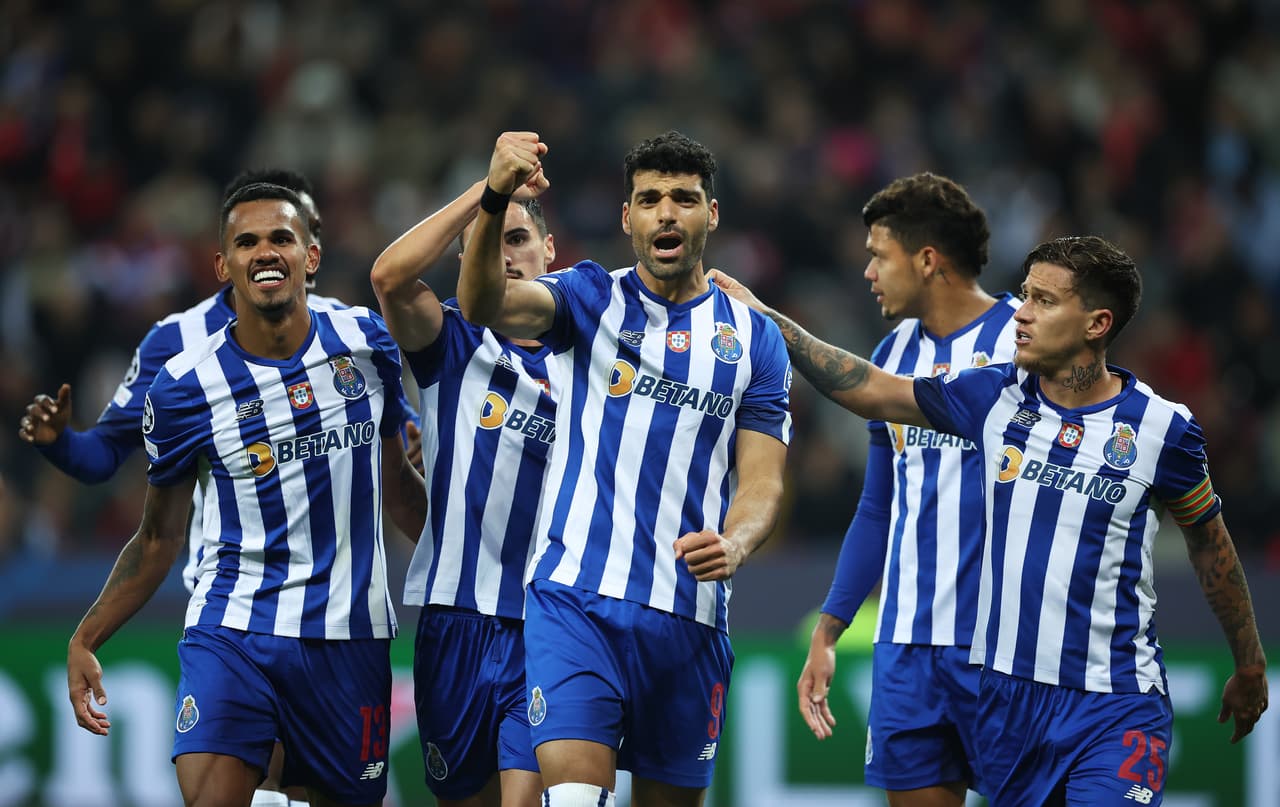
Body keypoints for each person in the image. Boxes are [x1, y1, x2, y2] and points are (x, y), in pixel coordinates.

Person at [713, 235, 1268, 805]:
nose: (1022, 314)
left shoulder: (1161, 430)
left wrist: (1249, 663)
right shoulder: (993, 396)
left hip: (1115, 703)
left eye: (1045, 302)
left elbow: (1211, 547)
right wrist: (769, 321)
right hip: (1007, 709)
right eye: (1025, 296)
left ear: (1097, 323)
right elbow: (873, 391)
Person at [19, 167, 420, 807]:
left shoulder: (366, 343)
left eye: (282, 239)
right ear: (221, 264)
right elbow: (157, 538)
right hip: (235, 627)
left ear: (310, 254)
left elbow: (401, 487)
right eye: (247, 242)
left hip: (352, 633)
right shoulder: (181, 380)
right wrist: (85, 636)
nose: (266, 252)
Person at [456, 130, 792, 807]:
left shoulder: (755, 337)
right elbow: (481, 305)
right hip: (576, 603)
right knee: (576, 798)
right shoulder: (587, 298)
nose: (666, 213)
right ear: (627, 218)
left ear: (712, 214)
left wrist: (737, 539)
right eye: (650, 199)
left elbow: (763, 477)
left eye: (684, 199)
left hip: (689, 620)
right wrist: (494, 195)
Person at [793, 173, 1018, 805]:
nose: (867, 271)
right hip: (907, 649)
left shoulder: (1023, 342)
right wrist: (830, 628)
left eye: (877, 255)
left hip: (1006, 649)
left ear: (926, 260)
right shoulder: (891, 352)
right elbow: (877, 506)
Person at [369, 174, 556, 807]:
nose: (508, 254)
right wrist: (490, 190)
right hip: (454, 619)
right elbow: (390, 278)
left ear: (549, 250)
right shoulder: (453, 342)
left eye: (520, 238)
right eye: (488, 241)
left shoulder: (592, 355)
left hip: (551, 620)